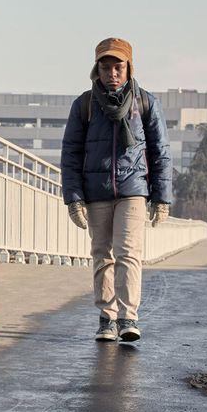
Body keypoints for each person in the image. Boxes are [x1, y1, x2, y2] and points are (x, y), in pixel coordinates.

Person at [61, 38, 172, 343]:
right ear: (96, 69)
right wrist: (73, 198)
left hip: (133, 190)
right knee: (101, 254)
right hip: (96, 191)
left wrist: (162, 197)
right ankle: (107, 319)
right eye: (106, 66)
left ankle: (128, 317)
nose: (112, 72)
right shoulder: (84, 104)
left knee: (128, 253)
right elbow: (70, 152)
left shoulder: (145, 103)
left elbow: (160, 150)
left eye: (118, 66)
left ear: (128, 68)